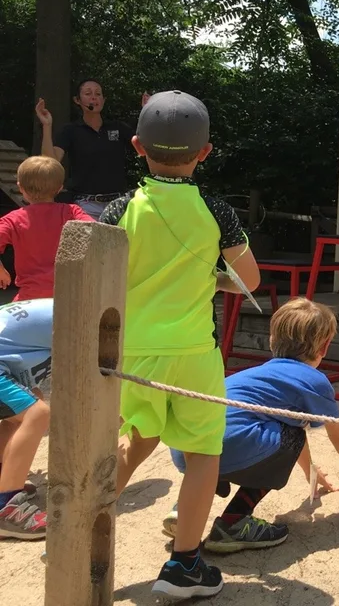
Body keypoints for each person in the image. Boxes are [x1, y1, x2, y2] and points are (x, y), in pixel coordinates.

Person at [99, 89, 260, 599]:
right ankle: (185, 563)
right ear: (205, 152)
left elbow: (96, 276)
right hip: (193, 353)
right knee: (202, 454)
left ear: (137, 146)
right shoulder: (217, 210)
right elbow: (250, 279)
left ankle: (76, 531)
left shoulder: (119, 209)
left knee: (135, 439)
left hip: (133, 353)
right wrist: (214, 279)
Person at [162, 298, 339, 553]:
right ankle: (233, 522)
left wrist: (310, 471)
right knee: (286, 436)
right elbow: (338, 434)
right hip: (226, 447)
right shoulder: (314, 380)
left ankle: (183, 510)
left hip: (186, 452)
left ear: (272, 340)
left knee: (248, 435)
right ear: (325, 347)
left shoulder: (257, 374)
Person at [35, 79, 149, 220]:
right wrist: (47, 125)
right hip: (85, 205)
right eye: (88, 94)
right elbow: (50, 162)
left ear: (104, 100)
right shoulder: (70, 130)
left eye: (98, 94)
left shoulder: (118, 128)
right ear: (77, 100)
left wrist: (147, 114)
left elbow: (146, 150)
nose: (94, 98)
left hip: (118, 204)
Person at [0, 156, 93, 300]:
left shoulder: (12, 219)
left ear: (20, 187)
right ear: (60, 188)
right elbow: (96, 231)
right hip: (69, 295)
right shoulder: (72, 212)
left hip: (30, 297)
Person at [0, 298, 52, 540]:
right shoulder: (84, 315)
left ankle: (5, 479)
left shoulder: (59, 306)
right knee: (36, 413)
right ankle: (7, 508)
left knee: (30, 401)